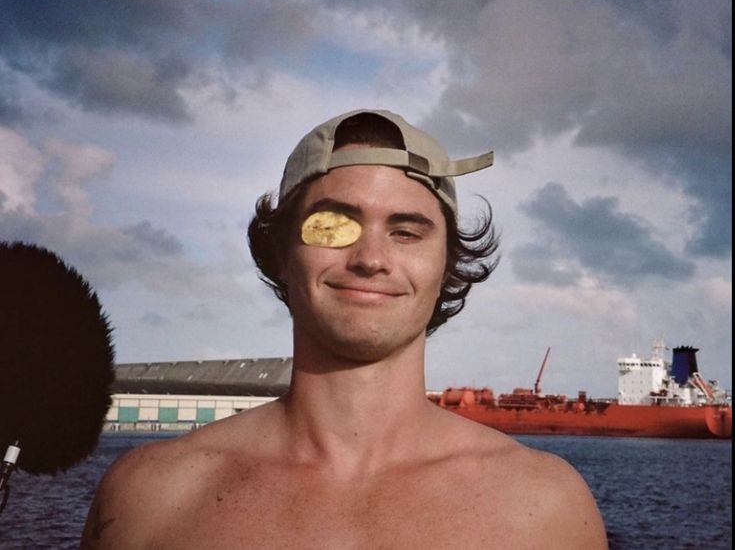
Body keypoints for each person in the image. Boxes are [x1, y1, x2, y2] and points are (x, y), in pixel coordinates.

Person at [81, 109, 607, 549]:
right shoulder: (150, 498)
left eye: (406, 232)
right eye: (333, 225)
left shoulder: (546, 511)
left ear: (447, 265)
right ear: (281, 252)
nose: (371, 258)